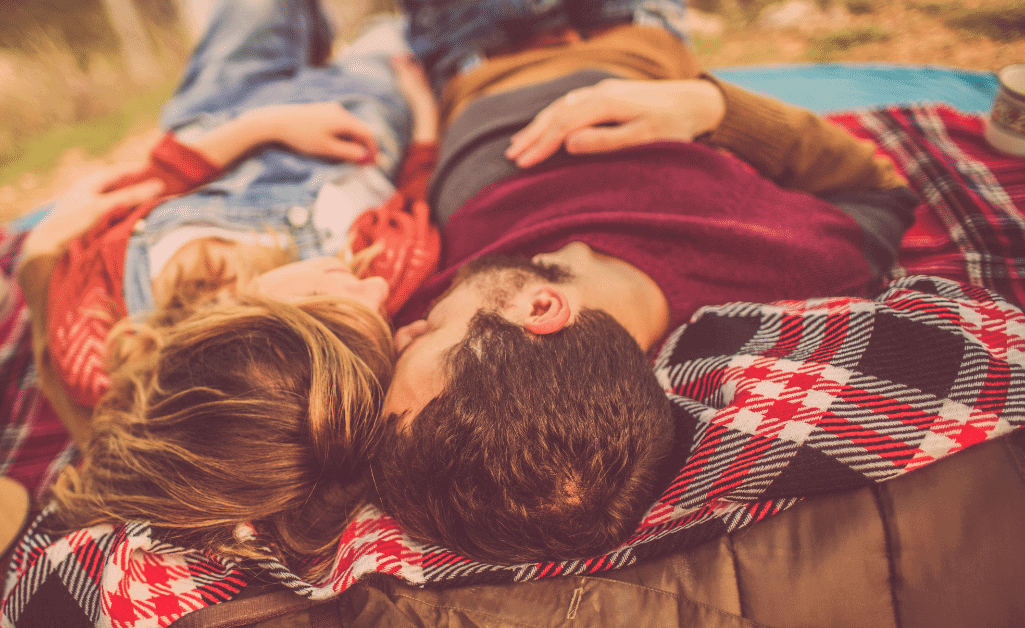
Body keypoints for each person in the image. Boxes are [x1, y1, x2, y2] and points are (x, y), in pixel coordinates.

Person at [371, 0, 921, 565]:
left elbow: (418, 189)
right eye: (427, 335)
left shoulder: (422, 285)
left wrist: (424, 112)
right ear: (540, 308)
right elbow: (882, 190)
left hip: (470, 51)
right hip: (628, 31)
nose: (404, 330)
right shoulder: (786, 261)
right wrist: (710, 105)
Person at [15, 0, 439, 578]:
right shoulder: (367, 297)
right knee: (393, 34)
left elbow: (136, 190)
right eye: (373, 317)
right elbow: (414, 199)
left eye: (326, 303)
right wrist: (425, 111)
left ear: (236, 321)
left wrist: (262, 126)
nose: (369, 288)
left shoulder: (100, 345)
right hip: (357, 116)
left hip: (221, 117)